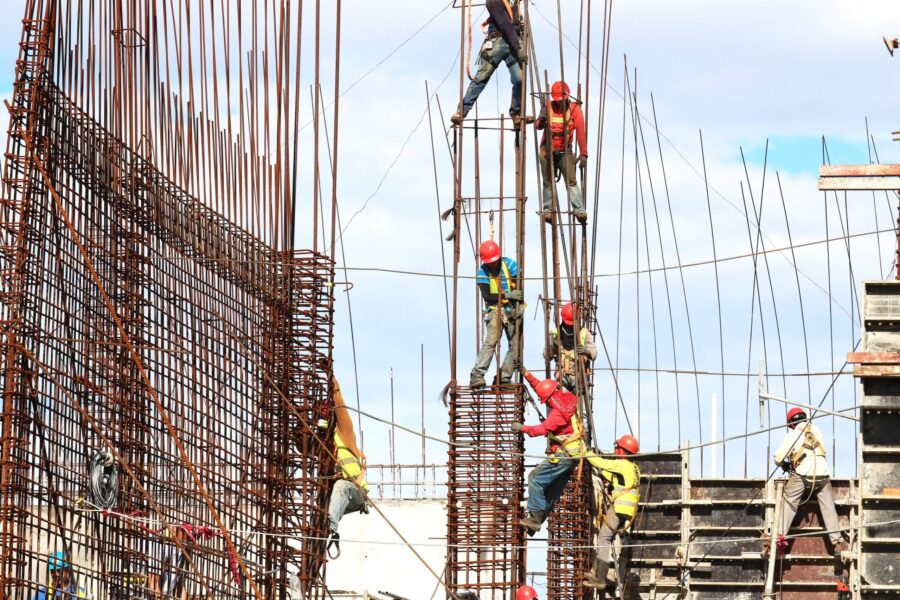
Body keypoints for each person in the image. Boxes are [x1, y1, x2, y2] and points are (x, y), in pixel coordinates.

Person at [513, 368, 584, 535]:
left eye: (545, 401)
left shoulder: (558, 414)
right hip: (572, 455)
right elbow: (541, 386)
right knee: (551, 492)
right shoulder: (567, 398)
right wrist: (525, 373)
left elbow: (542, 429)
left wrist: (522, 428)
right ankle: (535, 522)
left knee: (535, 478)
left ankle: (535, 519)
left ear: (548, 398)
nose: (545, 403)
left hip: (565, 455)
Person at [772, 408, 846, 556]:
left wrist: (785, 465)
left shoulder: (792, 434)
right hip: (823, 477)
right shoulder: (817, 431)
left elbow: (778, 458)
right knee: (829, 509)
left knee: (789, 503)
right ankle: (837, 542)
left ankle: (780, 537)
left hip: (802, 476)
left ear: (791, 423)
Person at [450, 0, 527, 125]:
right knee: (481, 78)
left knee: (520, 79)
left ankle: (516, 113)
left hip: (514, 42)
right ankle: (461, 111)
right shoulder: (493, 1)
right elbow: (505, 24)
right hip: (498, 42)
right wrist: (519, 48)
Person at [583, 435, 641, 592]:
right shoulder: (634, 468)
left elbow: (601, 462)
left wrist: (585, 452)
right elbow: (616, 478)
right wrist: (600, 473)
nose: (615, 451)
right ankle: (596, 573)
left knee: (604, 538)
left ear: (623, 451)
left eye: (618, 448)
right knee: (606, 538)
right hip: (627, 510)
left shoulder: (622, 464)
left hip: (620, 507)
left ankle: (599, 577)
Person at [470, 240, 522, 387]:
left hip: (511, 310)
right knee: (491, 342)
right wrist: (507, 295)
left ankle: (503, 378)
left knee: (515, 346)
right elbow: (487, 296)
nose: (492, 264)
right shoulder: (482, 272)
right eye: (489, 262)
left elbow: (519, 286)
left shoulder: (510, 265)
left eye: (494, 261)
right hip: (494, 310)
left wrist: (516, 300)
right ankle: (477, 375)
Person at [326, 378, 369, 556]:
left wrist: (335, 389)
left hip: (356, 492)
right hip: (337, 498)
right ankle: (324, 528)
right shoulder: (322, 445)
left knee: (341, 486)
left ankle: (330, 525)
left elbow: (340, 409)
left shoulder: (343, 433)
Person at [535, 81, 588, 224]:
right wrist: (542, 117)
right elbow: (538, 126)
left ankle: (579, 210)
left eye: (561, 100)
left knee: (571, 181)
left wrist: (583, 154)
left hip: (565, 151)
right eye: (557, 100)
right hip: (547, 150)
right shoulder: (548, 107)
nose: (559, 103)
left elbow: (581, 132)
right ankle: (547, 211)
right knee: (547, 182)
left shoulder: (575, 109)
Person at [544, 302, 597, 392]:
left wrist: (586, 351)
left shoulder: (584, 332)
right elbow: (547, 356)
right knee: (564, 402)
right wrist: (552, 345)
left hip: (580, 379)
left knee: (579, 403)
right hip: (563, 378)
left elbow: (594, 354)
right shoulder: (555, 333)